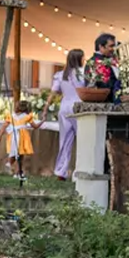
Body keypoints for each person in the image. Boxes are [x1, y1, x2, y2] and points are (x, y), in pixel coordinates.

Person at [41, 49, 84, 181]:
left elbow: (53, 93)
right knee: (83, 140)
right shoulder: (83, 75)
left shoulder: (60, 75)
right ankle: (80, 170)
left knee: (64, 141)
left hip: (64, 108)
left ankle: (61, 171)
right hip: (80, 108)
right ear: (79, 59)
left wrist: (45, 108)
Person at [0, 100, 39, 180]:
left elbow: (4, 126)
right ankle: (17, 171)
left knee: (16, 153)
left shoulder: (11, 116)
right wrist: (42, 121)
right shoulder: (27, 116)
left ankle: (15, 169)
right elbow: (35, 126)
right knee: (20, 156)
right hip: (22, 137)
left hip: (13, 136)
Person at [84, 33, 121, 103]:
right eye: (111, 46)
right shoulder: (93, 63)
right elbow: (91, 87)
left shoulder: (111, 59)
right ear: (101, 47)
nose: (113, 49)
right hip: (105, 105)